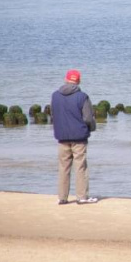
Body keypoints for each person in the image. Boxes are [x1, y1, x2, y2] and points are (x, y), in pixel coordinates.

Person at [51, 69, 98, 205]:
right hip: (79, 136)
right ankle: (82, 197)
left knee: (63, 167)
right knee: (80, 167)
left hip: (62, 136)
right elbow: (88, 118)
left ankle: (62, 198)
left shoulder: (55, 96)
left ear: (66, 79)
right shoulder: (82, 96)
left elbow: (53, 116)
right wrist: (92, 128)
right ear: (78, 81)